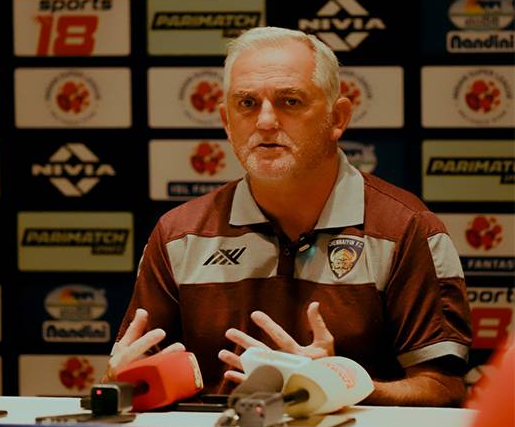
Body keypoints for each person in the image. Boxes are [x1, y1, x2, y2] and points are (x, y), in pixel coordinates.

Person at [104, 26, 472, 406]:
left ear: (337, 117)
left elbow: (444, 389)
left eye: (290, 101)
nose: (265, 121)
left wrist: (337, 384)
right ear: (226, 121)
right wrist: (120, 381)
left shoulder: (407, 230)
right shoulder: (178, 236)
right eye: (246, 104)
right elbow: (130, 381)